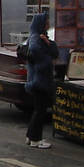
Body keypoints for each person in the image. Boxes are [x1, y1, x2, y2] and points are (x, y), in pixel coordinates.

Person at [24, 12, 59, 149]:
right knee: (40, 110)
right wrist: (48, 61)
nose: (49, 23)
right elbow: (39, 55)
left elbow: (55, 52)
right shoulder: (35, 39)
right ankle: (35, 139)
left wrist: (48, 43)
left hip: (39, 80)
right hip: (39, 81)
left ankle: (30, 136)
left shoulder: (42, 38)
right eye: (47, 21)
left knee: (38, 110)